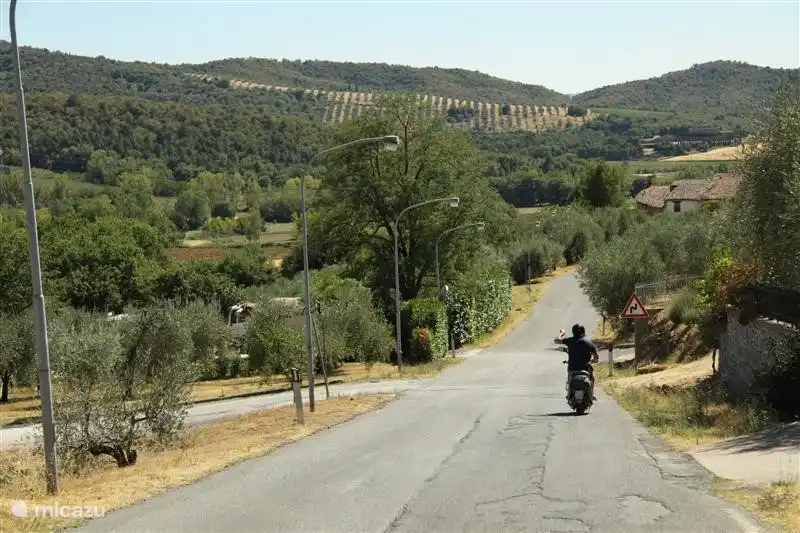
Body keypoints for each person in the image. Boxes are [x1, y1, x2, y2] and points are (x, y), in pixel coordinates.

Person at [554, 324, 599, 400]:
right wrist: (592, 361)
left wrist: (562, 333)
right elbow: (596, 357)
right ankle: (592, 393)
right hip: (585, 368)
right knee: (592, 378)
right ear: (583, 332)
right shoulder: (589, 343)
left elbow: (556, 340)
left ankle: (569, 391)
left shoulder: (569, 340)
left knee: (570, 376)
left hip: (573, 368)